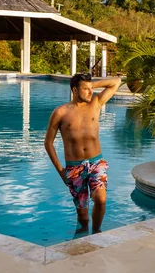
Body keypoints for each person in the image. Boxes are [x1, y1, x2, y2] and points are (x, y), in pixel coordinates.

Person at [44, 72, 122, 235]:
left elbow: (116, 82)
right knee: (82, 214)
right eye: (85, 89)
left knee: (100, 199)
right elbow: (48, 143)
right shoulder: (60, 113)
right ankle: (83, 236)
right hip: (74, 168)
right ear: (74, 90)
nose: (90, 92)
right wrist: (60, 171)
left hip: (96, 163)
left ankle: (96, 233)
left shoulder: (96, 103)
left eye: (90, 88)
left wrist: (91, 85)